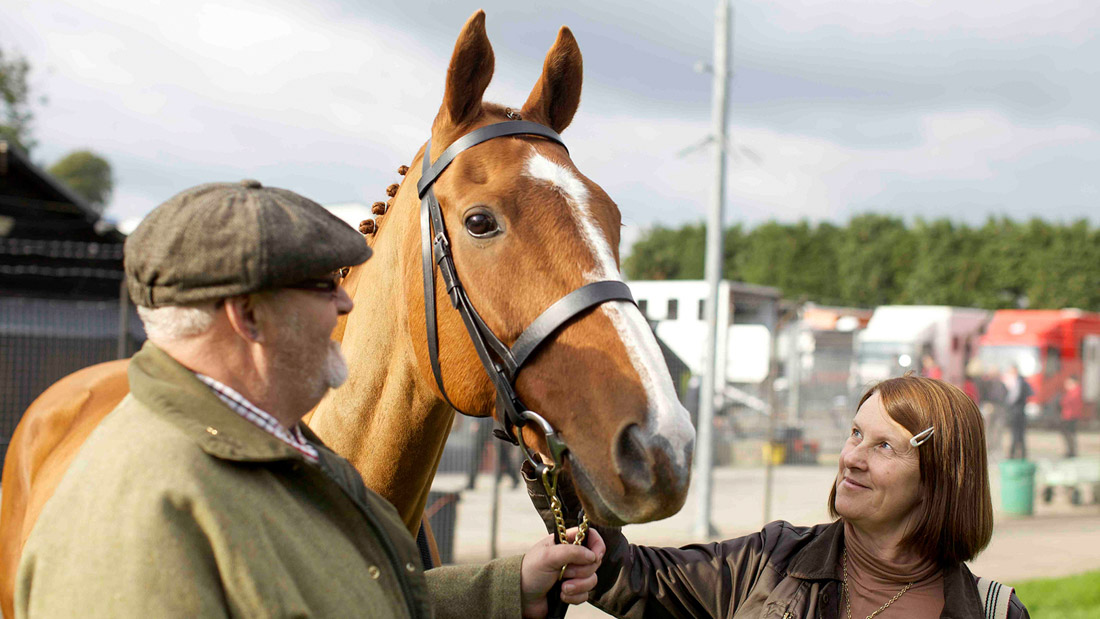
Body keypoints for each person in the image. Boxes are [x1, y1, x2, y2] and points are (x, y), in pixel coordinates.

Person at [15, 180, 602, 618]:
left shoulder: (276, 440)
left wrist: (506, 589)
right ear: (247, 315)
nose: (345, 305)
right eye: (324, 287)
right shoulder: (140, 508)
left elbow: (332, 597)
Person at [529, 374, 1029, 618]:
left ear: (940, 478)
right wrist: (556, 468)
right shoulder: (772, 560)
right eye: (855, 434)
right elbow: (633, 577)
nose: (852, 457)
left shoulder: (992, 611)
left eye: (883, 447)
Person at [1004, 365, 1034, 460]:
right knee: (1017, 434)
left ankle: (1016, 454)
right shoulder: (1016, 382)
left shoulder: (1019, 383)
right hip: (1017, 412)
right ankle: (1018, 454)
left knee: (1017, 434)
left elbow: (1013, 398)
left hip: (1018, 412)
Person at [1060, 375, 1085, 458]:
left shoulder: (1075, 391)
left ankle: (1072, 451)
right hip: (1068, 415)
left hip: (1070, 416)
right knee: (1069, 433)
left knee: (1070, 433)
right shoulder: (1072, 391)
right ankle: (1070, 450)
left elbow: (1067, 402)